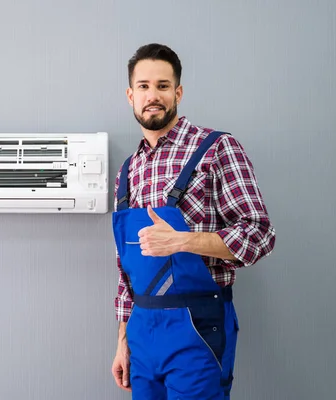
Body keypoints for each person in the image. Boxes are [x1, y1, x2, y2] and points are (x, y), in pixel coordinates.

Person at [110, 43, 276, 399]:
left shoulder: (216, 148)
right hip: (141, 332)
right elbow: (125, 270)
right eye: (143, 86)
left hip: (197, 326)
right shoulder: (128, 170)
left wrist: (183, 240)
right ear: (130, 95)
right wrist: (122, 341)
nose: (152, 95)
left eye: (163, 85)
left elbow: (259, 235)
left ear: (178, 92)